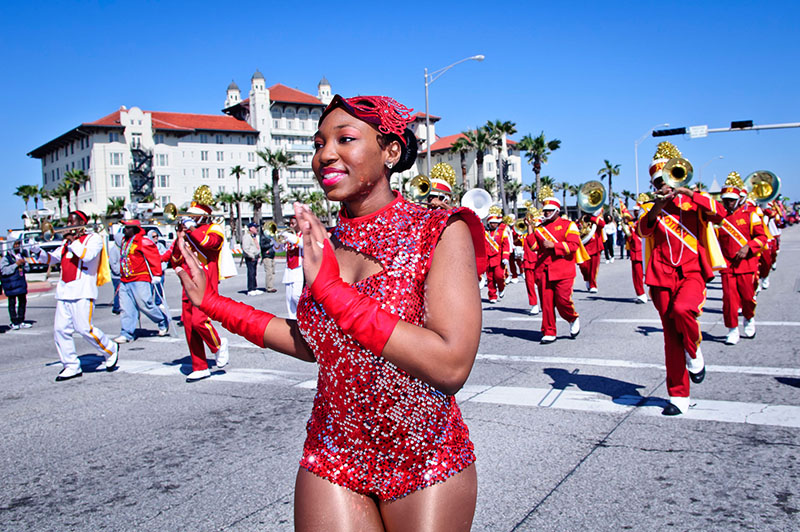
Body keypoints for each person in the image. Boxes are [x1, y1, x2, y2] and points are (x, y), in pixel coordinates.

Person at [174, 94, 486, 531]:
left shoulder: (439, 230)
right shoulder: (326, 243)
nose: (325, 154)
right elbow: (314, 344)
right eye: (319, 143)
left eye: (345, 139)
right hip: (333, 450)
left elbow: (451, 364)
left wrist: (335, 293)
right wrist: (215, 304)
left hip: (422, 455)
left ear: (391, 151)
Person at [636, 142, 725, 416]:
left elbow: (719, 213)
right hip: (661, 274)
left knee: (683, 310)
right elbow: (642, 230)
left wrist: (688, 192)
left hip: (691, 272)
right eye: (659, 181)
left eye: (668, 179)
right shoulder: (649, 205)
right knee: (670, 337)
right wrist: (656, 207)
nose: (664, 185)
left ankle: (695, 353)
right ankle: (678, 396)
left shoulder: (693, 201)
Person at [32, 210, 119, 381]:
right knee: (60, 330)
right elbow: (52, 258)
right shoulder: (66, 243)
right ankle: (71, 365)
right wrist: (37, 250)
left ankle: (110, 348)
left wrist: (72, 241)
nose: (68, 226)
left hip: (82, 291)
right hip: (64, 292)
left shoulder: (93, 239)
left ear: (82, 223)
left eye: (72, 222)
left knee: (84, 329)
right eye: (68, 222)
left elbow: (87, 256)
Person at [163, 189, 229, 382]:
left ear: (202, 217)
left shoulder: (214, 228)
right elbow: (175, 257)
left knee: (201, 320)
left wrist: (192, 230)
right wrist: (180, 237)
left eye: (194, 216)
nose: (189, 218)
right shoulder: (187, 232)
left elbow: (210, 245)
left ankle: (218, 345)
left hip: (205, 282)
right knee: (190, 326)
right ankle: (199, 365)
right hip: (188, 282)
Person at [717, 175, 766, 345]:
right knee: (729, 300)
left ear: (738, 200)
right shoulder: (719, 219)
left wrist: (748, 247)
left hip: (746, 265)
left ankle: (749, 317)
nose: (728, 203)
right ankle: (732, 329)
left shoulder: (751, 215)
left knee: (747, 297)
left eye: (732, 200)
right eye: (726, 200)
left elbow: (762, 237)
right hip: (728, 266)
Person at [530, 194, 582, 344]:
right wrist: (529, 227)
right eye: (545, 210)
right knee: (546, 303)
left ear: (557, 211)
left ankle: (572, 317)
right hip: (544, 270)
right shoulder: (540, 228)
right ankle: (549, 331)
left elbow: (574, 246)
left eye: (549, 210)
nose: (546, 213)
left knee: (563, 300)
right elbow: (534, 246)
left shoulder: (568, 225)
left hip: (563, 270)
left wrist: (555, 246)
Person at [114, 220, 170, 343]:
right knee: (126, 307)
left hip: (140, 278)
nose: (125, 230)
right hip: (125, 279)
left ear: (134, 229)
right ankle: (126, 333)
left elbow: (153, 257)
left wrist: (156, 274)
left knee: (145, 304)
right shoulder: (124, 241)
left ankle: (161, 320)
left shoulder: (143, 241)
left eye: (127, 228)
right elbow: (115, 236)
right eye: (124, 227)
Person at [274, 216, 303, 318]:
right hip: (289, 269)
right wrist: (275, 240)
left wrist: (291, 238)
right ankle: (293, 320)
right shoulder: (289, 237)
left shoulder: (303, 235)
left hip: (300, 269)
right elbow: (278, 250)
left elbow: (304, 244)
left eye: (292, 223)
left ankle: (302, 318)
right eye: (290, 224)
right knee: (289, 298)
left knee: (296, 296)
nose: (290, 226)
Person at [1, 238, 31, 329]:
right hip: (11, 285)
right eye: (15, 244)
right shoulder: (6, 258)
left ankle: (21, 320)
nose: (17, 246)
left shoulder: (20, 255)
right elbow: (4, 271)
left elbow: (28, 269)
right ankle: (14, 322)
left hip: (20, 284)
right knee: (12, 303)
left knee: (22, 302)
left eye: (18, 244)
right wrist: (16, 264)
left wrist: (24, 263)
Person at [484, 208, 510, 303]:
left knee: (499, 276)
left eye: (496, 223)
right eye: (492, 223)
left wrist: (505, 257)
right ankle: (492, 295)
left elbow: (506, 245)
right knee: (490, 278)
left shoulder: (502, 232)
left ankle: (501, 288)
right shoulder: (485, 233)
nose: (494, 224)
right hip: (488, 258)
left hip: (498, 258)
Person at [578, 209, 605, 292]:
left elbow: (602, 224)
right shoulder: (582, 219)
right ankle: (587, 279)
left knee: (593, 268)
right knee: (583, 266)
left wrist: (592, 218)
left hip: (595, 246)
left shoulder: (597, 219)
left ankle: (593, 285)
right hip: (584, 247)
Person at [522, 209, 540, 315]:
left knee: (543, 285)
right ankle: (534, 304)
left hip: (540, 261)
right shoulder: (524, 234)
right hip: (528, 261)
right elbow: (516, 241)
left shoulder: (541, 232)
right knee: (530, 285)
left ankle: (546, 302)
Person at [242, 222, 261, 295]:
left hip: (255, 256)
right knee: (251, 273)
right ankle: (250, 289)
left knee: (254, 273)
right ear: (251, 228)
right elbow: (245, 248)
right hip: (250, 257)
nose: (256, 229)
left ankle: (254, 287)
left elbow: (255, 246)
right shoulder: (247, 236)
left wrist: (258, 253)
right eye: (255, 227)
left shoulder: (253, 236)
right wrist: (251, 256)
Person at [259, 223, 278, 293]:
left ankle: (271, 286)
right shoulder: (263, 236)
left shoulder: (270, 236)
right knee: (269, 272)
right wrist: (270, 244)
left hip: (272, 255)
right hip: (267, 256)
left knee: (273, 272)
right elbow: (262, 246)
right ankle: (269, 287)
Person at [107, 232, 122, 314]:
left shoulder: (122, 249)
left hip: (123, 275)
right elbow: (113, 264)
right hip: (116, 276)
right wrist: (119, 271)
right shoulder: (114, 250)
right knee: (117, 292)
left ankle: (121, 306)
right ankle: (116, 307)